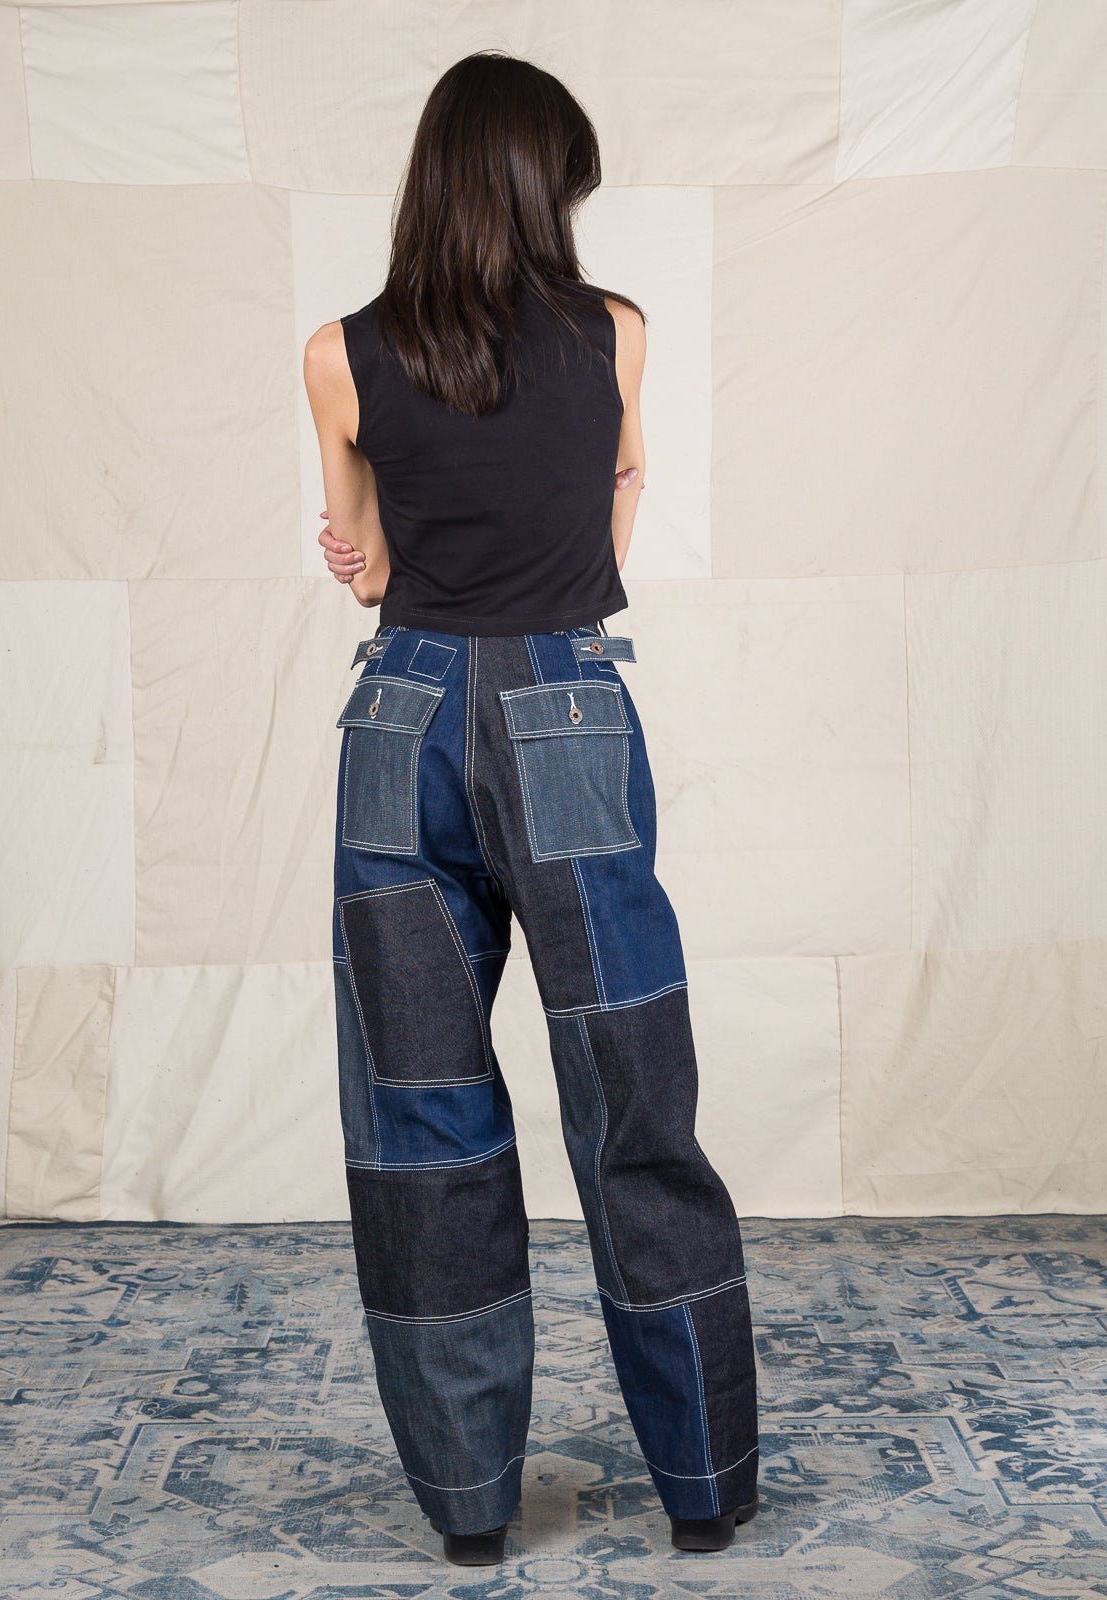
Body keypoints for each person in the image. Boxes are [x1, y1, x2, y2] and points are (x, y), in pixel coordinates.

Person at [302, 49, 759, 1569]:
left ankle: (470, 1515)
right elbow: (617, 507)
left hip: (402, 719)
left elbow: (364, 569)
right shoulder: (615, 329)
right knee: (635, 1091)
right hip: (566, 704)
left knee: (422, 1112)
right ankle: (704, 1490)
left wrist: (370, 547)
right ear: (539, 183)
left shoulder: (340, 352)